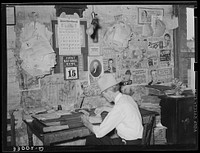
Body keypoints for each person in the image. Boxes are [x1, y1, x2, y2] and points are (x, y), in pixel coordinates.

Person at [81, 74, 143, 145]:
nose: (104, 96)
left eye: (103, 94)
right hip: (137, 141)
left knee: (92, 139)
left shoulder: (120, 106)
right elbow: (124, 112)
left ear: (107, 92)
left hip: (129, 144)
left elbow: (99, 132)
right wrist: (105, 108)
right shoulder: (127, 98)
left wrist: (86, 123)